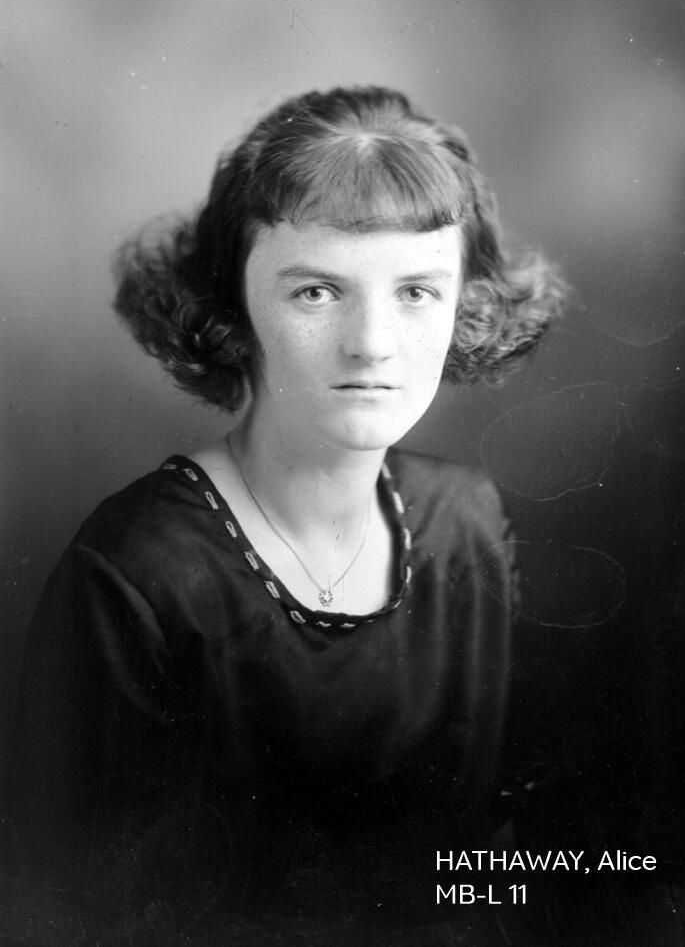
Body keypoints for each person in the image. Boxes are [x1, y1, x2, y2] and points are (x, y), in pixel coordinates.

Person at [11, 86, 567, 943]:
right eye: (316, 292)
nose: (372, 343)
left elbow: (494, 862)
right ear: (234, 306)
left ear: (466, 302)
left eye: (417, 292)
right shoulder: (139, 571)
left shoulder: (466, 522)